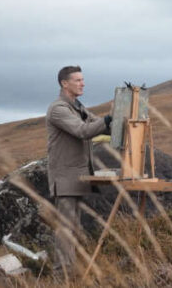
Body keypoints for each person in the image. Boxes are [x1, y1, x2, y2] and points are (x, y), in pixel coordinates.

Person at [46, 65, 112, 275]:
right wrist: (108, 119)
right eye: (78, 80)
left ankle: (70, 273)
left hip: (76, 178)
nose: (83, 83)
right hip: (65, 179)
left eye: (83, 80)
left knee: (73, 229)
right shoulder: (59, 109)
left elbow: (99, 125)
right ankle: (61, 276)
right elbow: (83, 131)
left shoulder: (78, 108)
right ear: (65, 83)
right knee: (65, 230)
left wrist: (116, 122)